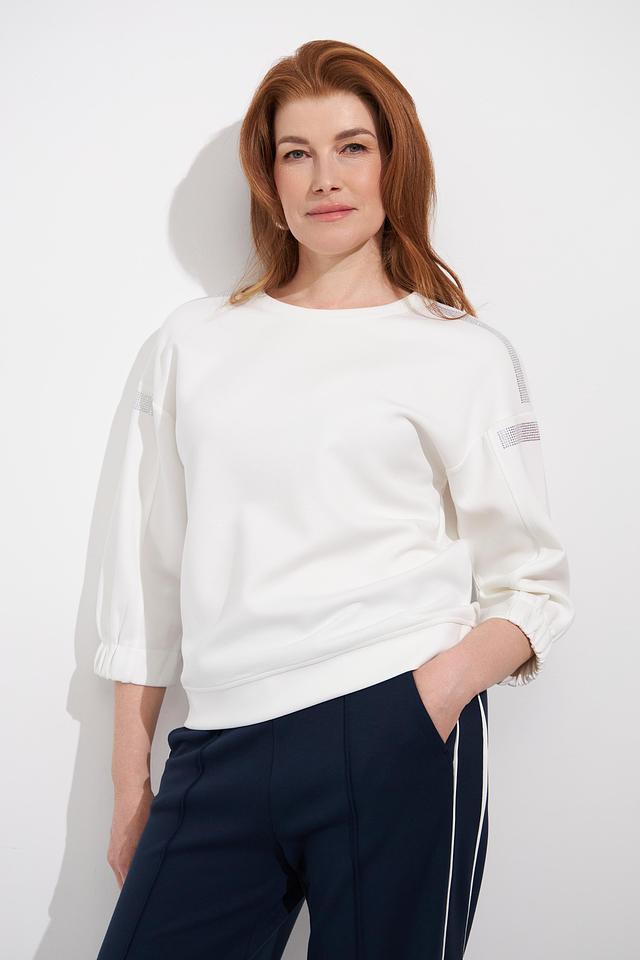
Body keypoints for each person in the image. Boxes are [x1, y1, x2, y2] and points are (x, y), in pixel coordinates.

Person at [92, 38, 575, 960]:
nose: (325, 177)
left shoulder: (461, 353)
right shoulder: (195, 343)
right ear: (268, 176)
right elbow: (146, 572)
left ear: (395, 161)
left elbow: (533, 588)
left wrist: (426, 702)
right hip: (220, 741)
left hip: (395, 722)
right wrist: (129, 785)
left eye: (353, 146)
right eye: (296, 152)